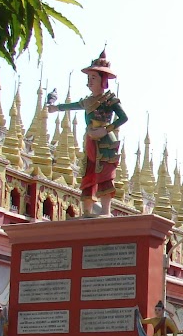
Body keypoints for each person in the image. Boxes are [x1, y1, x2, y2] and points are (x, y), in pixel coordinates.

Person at [47, 50, 128, 216]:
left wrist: (106, 129)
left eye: (93, 78)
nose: (89, 82)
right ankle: (87, 210)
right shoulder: (89, 100)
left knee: (105, 175)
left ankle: (105, 211)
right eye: (88, 79)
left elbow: (123, 118)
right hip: (90, 140)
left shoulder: (109, 100)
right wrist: (57, 108)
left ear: (103, 80)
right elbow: (74, 105)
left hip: (105, 141)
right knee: (88, 173)